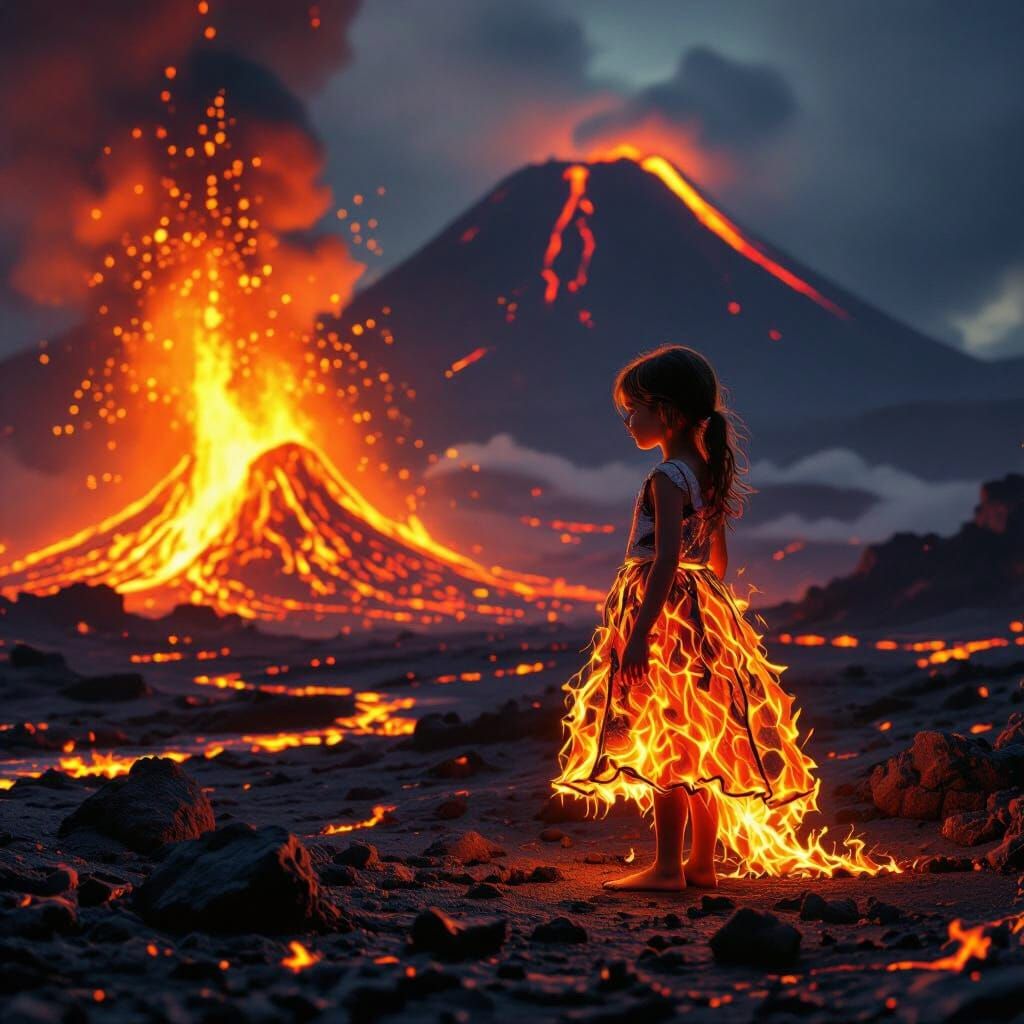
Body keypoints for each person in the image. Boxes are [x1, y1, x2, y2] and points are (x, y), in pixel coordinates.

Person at [551, 343, 820, 891]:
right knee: (702, 734)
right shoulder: (705, 471)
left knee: (666, 735)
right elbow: (715, 560)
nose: (629, 421)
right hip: (701, 610)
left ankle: (668, 868)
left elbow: (666, 558)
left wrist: (640, 633)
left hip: (663, 614)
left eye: (636, 409)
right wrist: (707, 614)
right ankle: (702, 864)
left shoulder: (667, 477)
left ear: (667, 413)